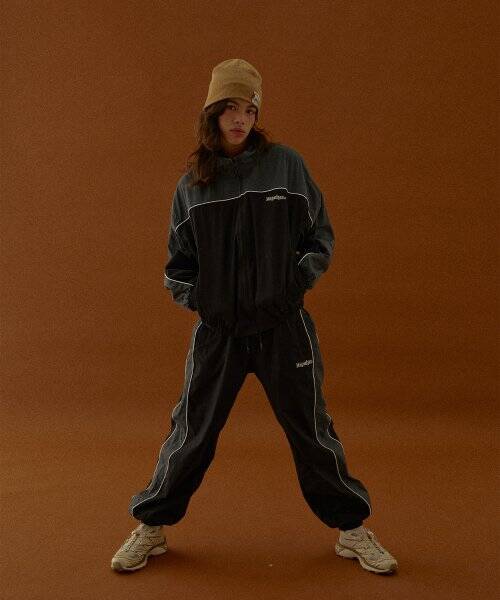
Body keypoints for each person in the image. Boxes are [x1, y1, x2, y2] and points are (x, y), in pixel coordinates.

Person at [111, 58, 398, 575]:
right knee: (191, 432)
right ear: (212, 114)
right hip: (219, 333)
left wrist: (290, 288)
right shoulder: (192, 186)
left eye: (248, 108)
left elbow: (319, 236)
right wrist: (207, 304)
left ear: (256, 113)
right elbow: (177, 267)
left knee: (311, 430)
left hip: (283, 327)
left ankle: (352, 529)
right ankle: (151, 526)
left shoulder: (286, 166)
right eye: (229, 108)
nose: (239, 119)